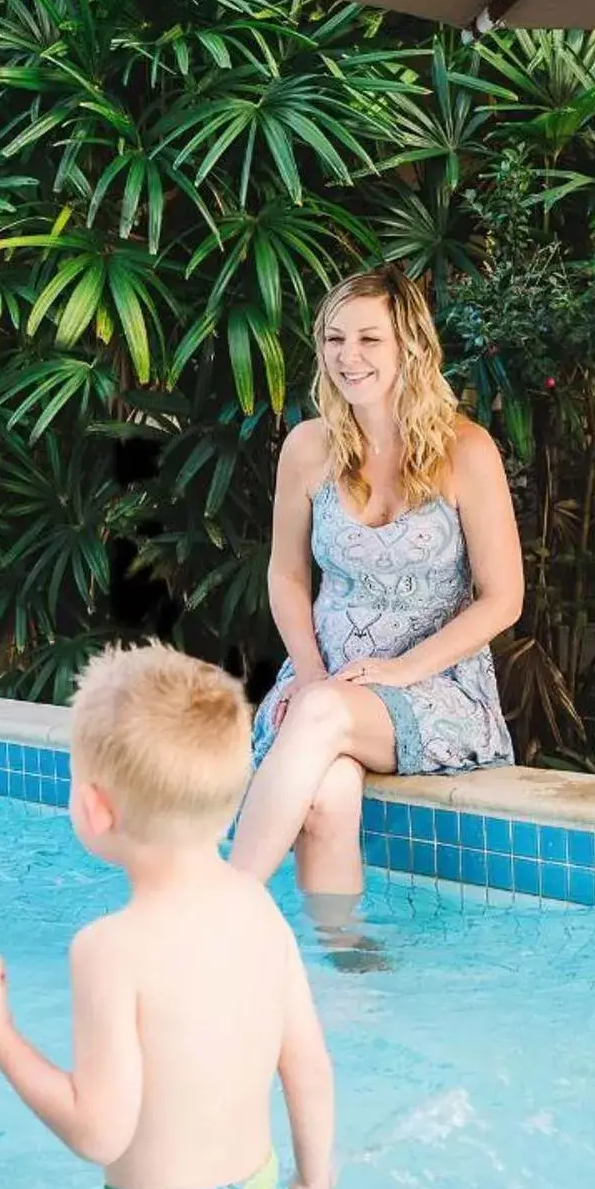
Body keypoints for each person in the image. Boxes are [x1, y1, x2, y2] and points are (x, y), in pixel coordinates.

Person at [0, 642, 336, 1189]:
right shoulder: (257, 907)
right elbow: (308, 1065)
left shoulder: (109, 949)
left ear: (94, 807)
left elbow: (99, 1130)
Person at [231, 268, 522, 916]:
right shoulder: (308, 448)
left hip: (436, 689)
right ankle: (348, 973)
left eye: (369, 339)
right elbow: (285, 574)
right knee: (329, 797)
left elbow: (504, 599)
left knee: (323, 716)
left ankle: (224, 911)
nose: (348, 356)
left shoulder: (466, 451)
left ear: (409, 347)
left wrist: (400, 670)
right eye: (335, 339)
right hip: (325, 679)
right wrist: (308, 670)